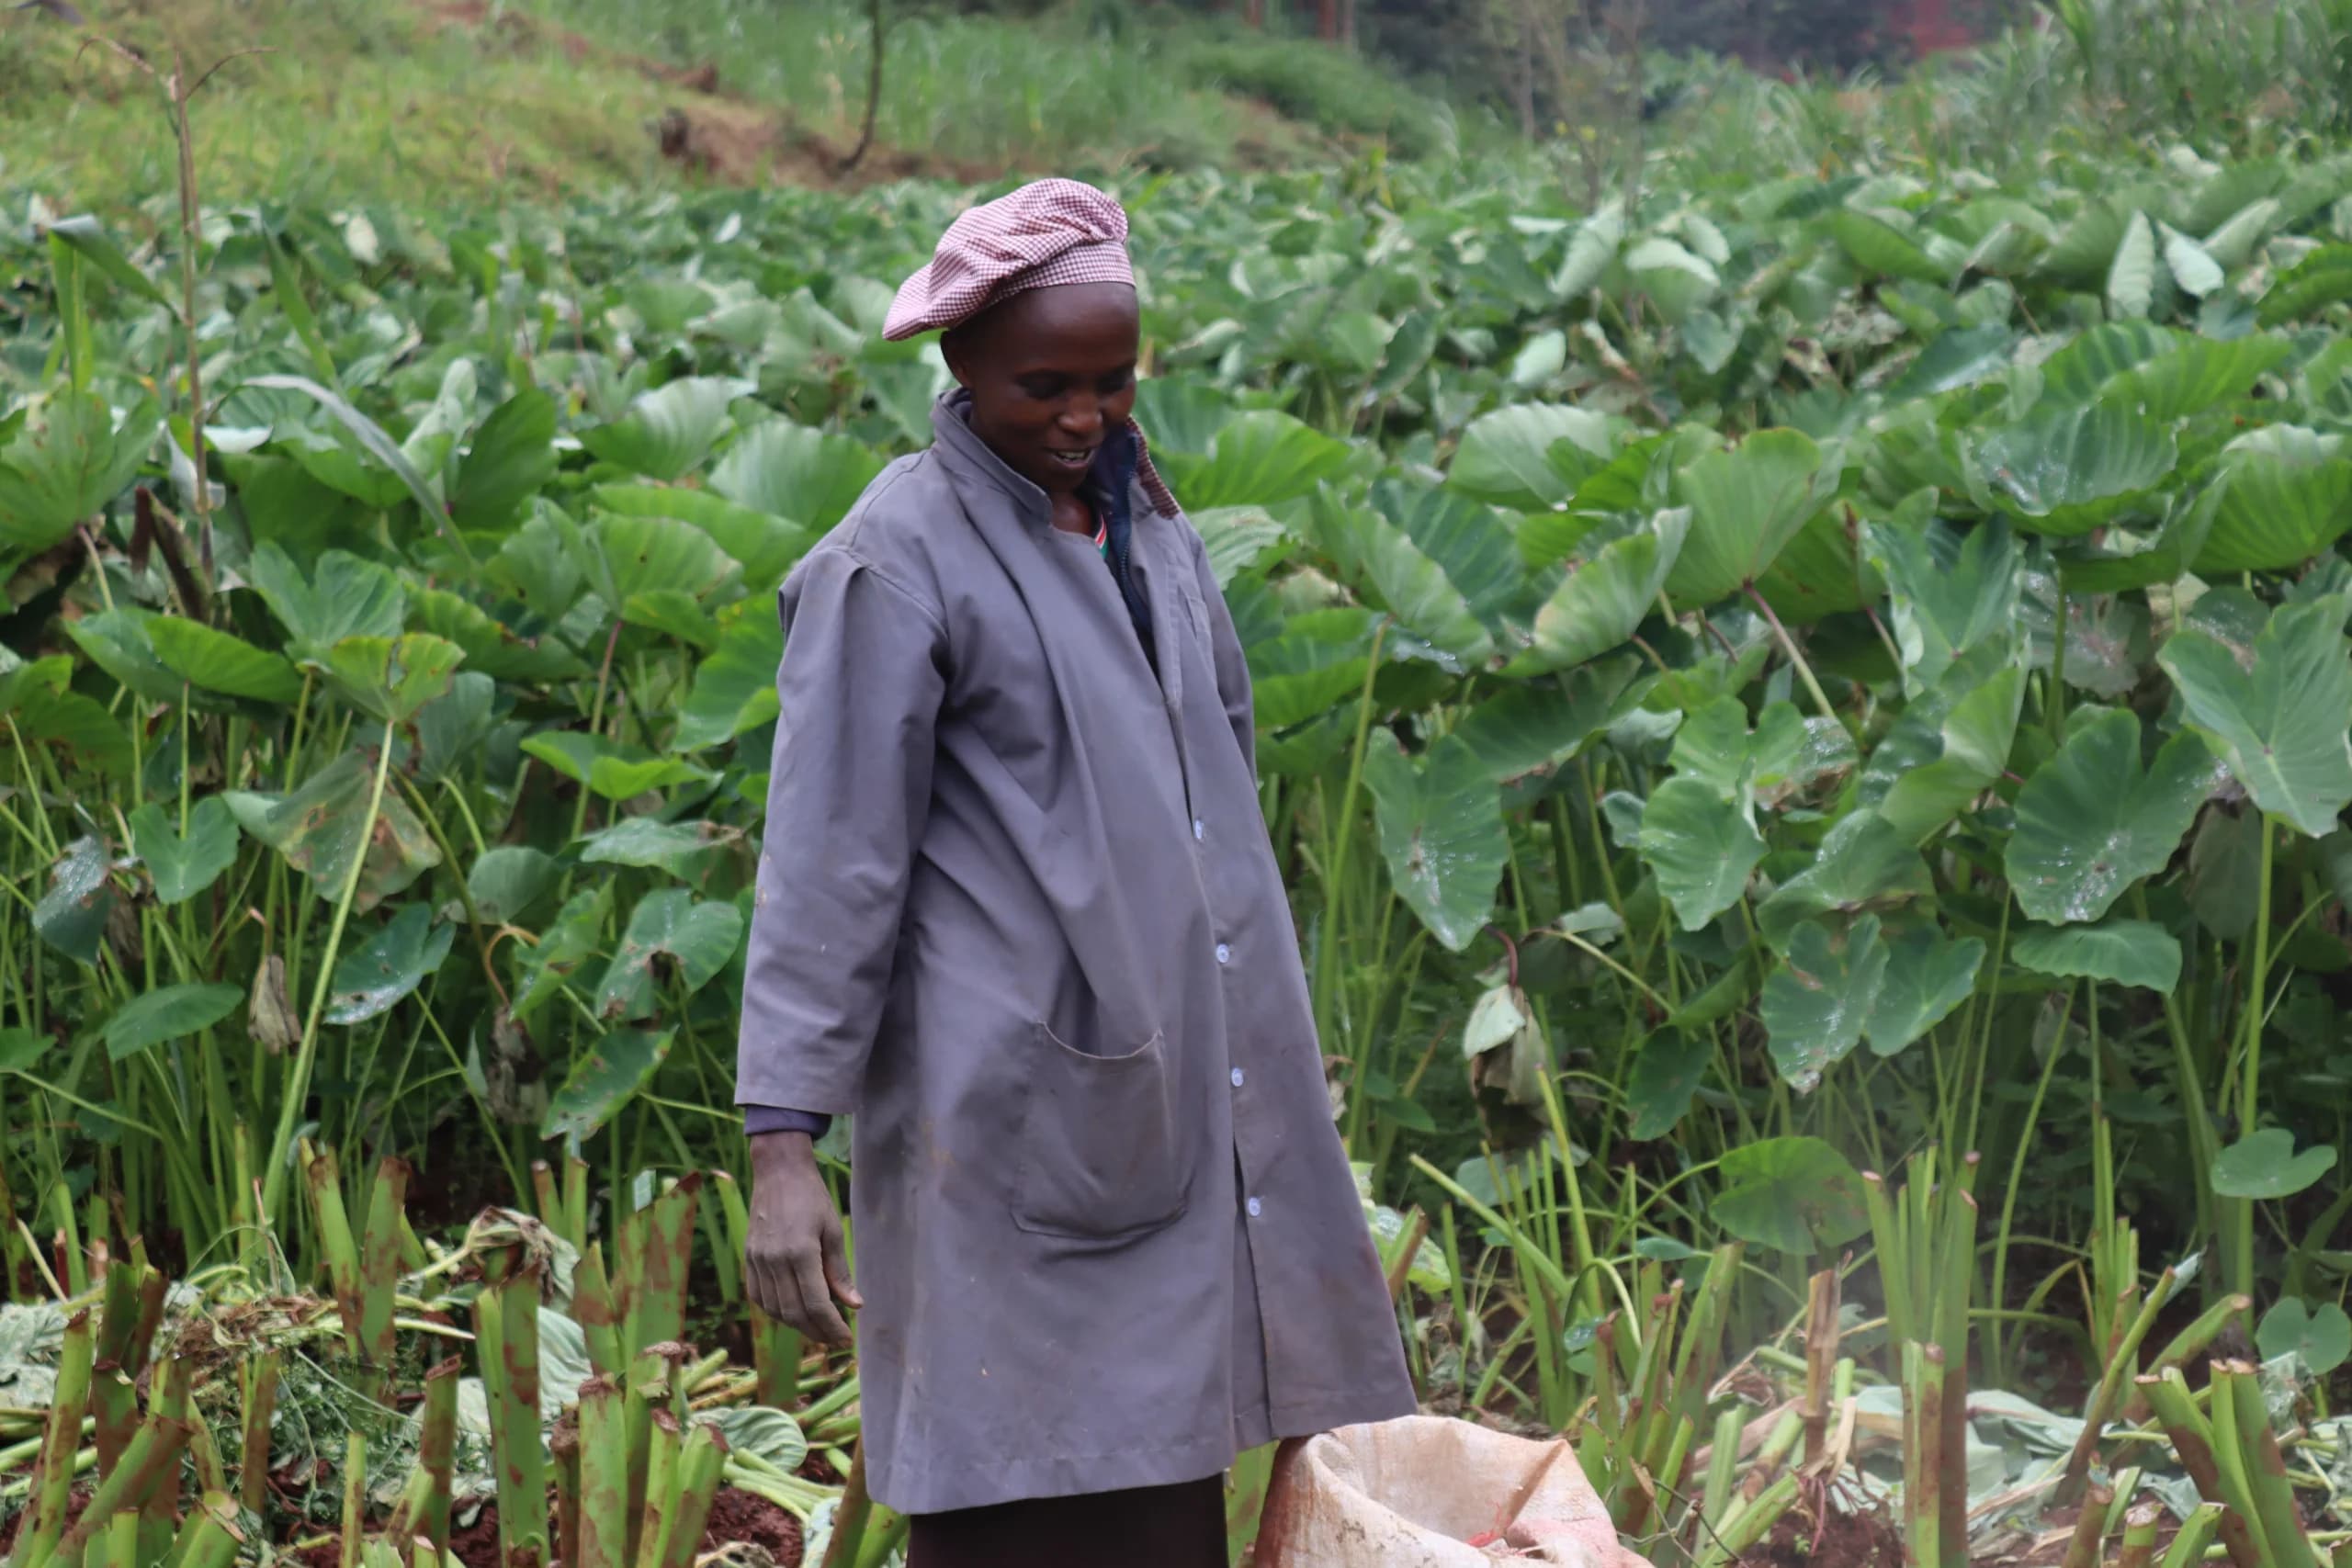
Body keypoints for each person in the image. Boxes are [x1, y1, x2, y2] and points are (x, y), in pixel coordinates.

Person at [735, 178, 1415, 1567]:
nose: (1083, 415)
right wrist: (781, 1140)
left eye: (1112, 381)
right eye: (1045, 383)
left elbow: (1216, 799)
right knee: (1007, 1484)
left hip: (1174, 1090)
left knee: (1162, 1477)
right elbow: (828, 865)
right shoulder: (893, 561)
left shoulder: (1146, 526)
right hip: (1004, 1107)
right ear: (961, 364)